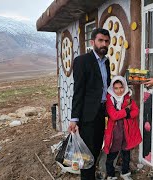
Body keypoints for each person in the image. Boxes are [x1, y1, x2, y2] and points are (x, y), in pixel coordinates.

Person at [68, 28, 111, 180]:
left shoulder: (106, 62)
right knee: (87, 153)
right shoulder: (82, 61)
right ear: (93, 42)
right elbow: (78, 91)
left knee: (97, 148)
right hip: (87, 115)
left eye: (106, 41)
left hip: (101, 113)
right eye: (100, 40)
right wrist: (74, 118)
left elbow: (106, 86)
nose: (104, 44)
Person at [103, 76, 142, 180]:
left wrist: (127, 114)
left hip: (126, 130)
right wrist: (127, 111)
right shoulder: (109, 99)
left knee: (126, 152)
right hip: (114, 131)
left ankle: (125, 172)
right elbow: (113, 115)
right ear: (112, 88)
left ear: (124, 87)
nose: (119, 90)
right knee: (112, 153)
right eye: (116, 88)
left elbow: (136, 111)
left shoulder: (127, 97)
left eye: (121, 87)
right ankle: (110, 175)